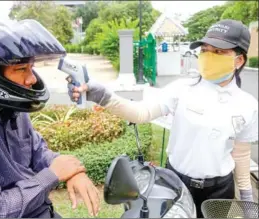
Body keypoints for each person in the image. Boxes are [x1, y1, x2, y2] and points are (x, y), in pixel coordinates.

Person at [68, 19, 258, 217]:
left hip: (220, 191)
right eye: (205, 50)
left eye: (219, 52)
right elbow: (141, 113)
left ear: (239, 60)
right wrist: (102, 95)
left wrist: (246, 200)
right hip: (175, 184)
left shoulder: (248, 105)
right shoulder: (182, 89)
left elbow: (241, 155)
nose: (209, 56)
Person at [0, 17, 100, 218]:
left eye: (31, 68)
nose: (32, 79)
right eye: (21, 69)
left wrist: (72, 170)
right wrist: (52, 176)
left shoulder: (9, 108)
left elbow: (36, 152)